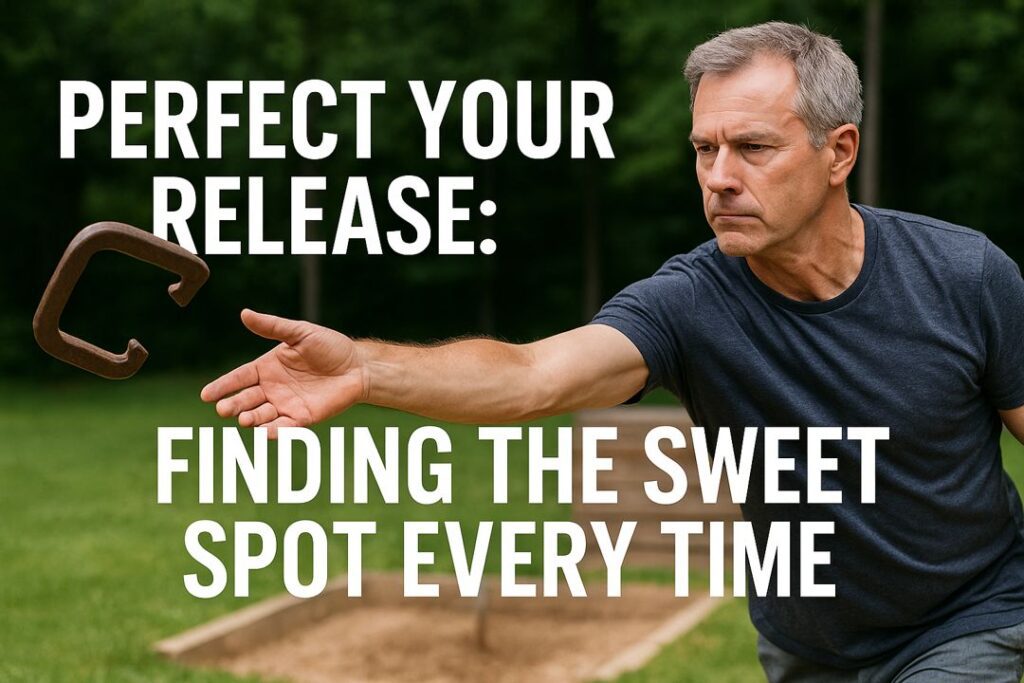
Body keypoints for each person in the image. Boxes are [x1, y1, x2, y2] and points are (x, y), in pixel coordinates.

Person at [201, 21, 1024, 682]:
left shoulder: (963, 275)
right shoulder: (691, 300)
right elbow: (532, 376)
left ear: (838, 151)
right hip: (809, 647)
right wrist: (366, 368)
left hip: (972, 617)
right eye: (705, 149)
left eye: (753, 148)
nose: (719, 177)